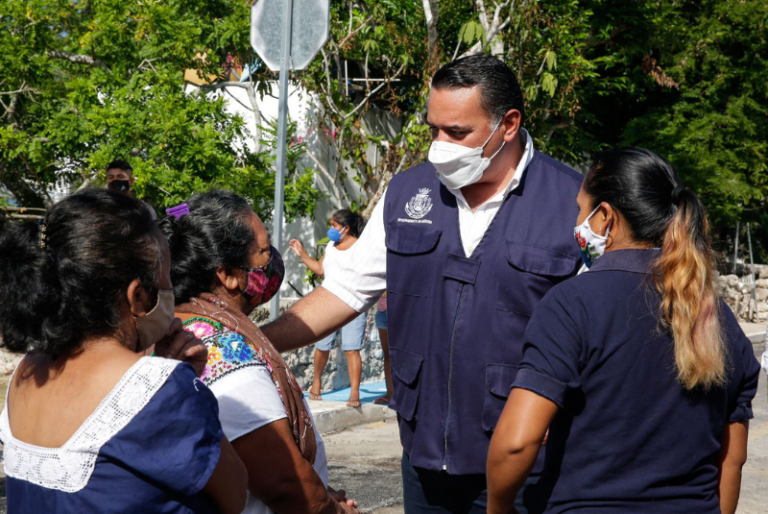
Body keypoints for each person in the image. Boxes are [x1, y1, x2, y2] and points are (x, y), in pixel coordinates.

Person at [261, 54, 584, 514]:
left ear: (509, 124)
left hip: (528, 466)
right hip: (424, 458)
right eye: (434, 129)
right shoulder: (407, 194)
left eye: (457, 133)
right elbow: (342, 293)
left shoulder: (573, 203)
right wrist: (248, 340)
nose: (440, 147)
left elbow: (602, 331)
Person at [486, 148, 761, 514]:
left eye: (580, 210)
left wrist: (497, 508)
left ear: (605, 218)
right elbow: (733, 458)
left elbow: (516, 444)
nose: (577, 222)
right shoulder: (718, 317)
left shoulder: (570, 303)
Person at [0, 189, 247, 514]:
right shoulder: (164, 389)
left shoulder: (27, 370)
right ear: (138, 296)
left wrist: (157, 372)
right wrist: (175, 384)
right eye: (166, 281)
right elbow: (234, 495)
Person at [159, 190, 360, 514]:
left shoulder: (181, 324)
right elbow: (285, 484)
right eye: (264, 251)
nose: (272, 261)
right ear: (227, 275)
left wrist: (323, 492)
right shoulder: (224, 354)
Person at [289, 209, 368, 408]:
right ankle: (316, 384)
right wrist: (302, 253)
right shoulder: (332, 245)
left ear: (346, 228)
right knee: (322, 345)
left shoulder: (361, 247)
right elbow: (320, 269)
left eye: (334, 225)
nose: (330, 229)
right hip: (328, 301)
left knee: (351, 349)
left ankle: (355, 393)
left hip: (353, 302)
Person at [373, 293, 393, 405]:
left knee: (401, 356)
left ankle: (404, 394)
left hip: (399, 311)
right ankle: (390, 394)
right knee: (388, 356)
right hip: (382, 311)